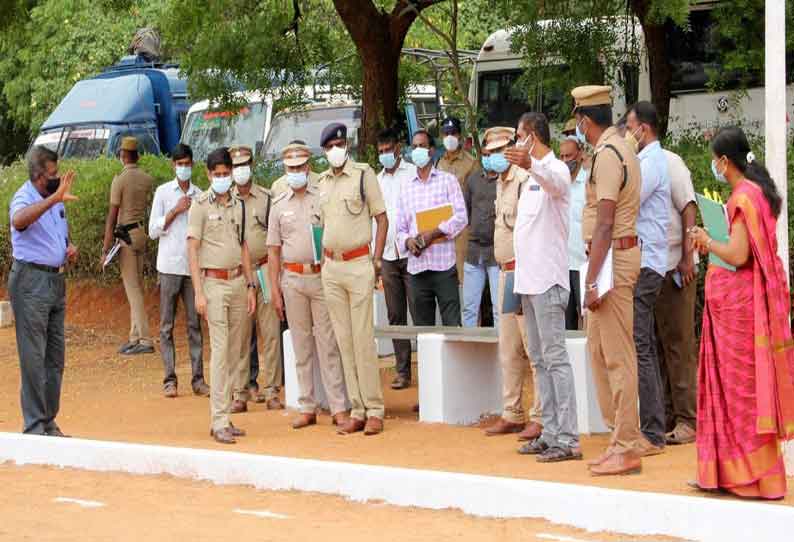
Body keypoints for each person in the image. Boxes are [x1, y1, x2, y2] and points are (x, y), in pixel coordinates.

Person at [689, 126, 794, 500]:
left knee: (740, 395)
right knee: (741, 392)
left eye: (714, 160)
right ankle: (741, 475)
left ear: (725, 161)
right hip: (739, 308)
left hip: (739, 312)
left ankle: (750, 478)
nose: (713, 165)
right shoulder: (757, 194)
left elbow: (737, 254)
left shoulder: (743, 198)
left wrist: (705, 240)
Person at [572, 85, 643, 476]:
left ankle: (628, 444)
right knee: (600, 352)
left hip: (611, 259)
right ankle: (619, 439)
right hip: (611, 257)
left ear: (585, 120)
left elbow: (604, 221)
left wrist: (592, 279)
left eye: (578, 121)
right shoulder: (619, 145)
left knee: (616, 357)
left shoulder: (609, 154)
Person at [502, 113, 581, 462]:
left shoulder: (554, 169)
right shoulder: (527, 175)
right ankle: (549, 432)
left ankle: (568, 438)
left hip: (548, 281)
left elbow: (554, 182)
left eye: (520, 136)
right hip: (529, 283)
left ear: (531, 137)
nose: (516, 143)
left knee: (555, 358)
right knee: (539, 359)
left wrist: (531, 163)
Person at [267, 143, 349, 430]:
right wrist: (274, 290)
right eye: (291, 168)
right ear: (284, 170)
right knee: (301, 345)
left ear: (308, 167)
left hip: (321, 276)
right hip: (292, 280)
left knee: (328, 344)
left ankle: (338, 407)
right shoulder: (278, 204)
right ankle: (307, 406)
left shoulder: (322, 196)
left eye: (300, 167)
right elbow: (273, 251)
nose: (296, 173)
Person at [318, 122, 388, 436]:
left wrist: (376, 260)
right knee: (344, 341)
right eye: (330, 146)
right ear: (324, 151)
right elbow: (320, 224)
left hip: (359, 262)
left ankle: (374, 409)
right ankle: (356, 408)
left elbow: (381, 219)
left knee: (362, 340)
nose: (336, 150)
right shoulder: (322, 182)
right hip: (331, 266)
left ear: (347, 146)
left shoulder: (363, 174)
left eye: (340, 144)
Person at [187, 147, 257, 444]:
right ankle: (218, 421)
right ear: (208, 175)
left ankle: (226, 414)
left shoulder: (239, 204)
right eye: (217, 175)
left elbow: (243, 247)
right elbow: (192, 248)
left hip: (238, 282)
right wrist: (198, 292)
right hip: (213, 283)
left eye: (226, 174)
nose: (222, 178)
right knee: (219, 351)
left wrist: (252, 285)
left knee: (235, 350)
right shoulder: (200, 205)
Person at [8, 147, 78, 436]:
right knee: (33, 357)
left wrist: (67, 248)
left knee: (54, 357)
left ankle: (48, 421)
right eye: (52, 174)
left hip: (55, 281)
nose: (57, 178)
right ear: (38, 176)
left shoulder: (55, 199)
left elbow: (58, 232)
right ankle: (35, 425)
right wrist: (53, 198)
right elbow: (19, 220)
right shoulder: (25, 196)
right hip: (30, 282)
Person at [480, 127, 543, 442]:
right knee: (508, 347)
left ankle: (540, 415)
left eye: (500, 150)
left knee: (532, 347)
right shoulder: (501, 184)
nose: (494, 157)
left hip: (523, 272)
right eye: (490, 152)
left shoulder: (525, 180)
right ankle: (512, 412)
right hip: (505, 272)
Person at [625, 101, 671, 457]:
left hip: (647, 261)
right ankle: (653, 425)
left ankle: (653, 432)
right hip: (644, 260)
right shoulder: (646, 160)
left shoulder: (652, 162)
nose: (628, 133)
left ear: (645, 128)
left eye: (630, 126)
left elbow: (629, 199)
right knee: (644, 344)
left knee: (641, 345)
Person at [148, 143, 209, 398]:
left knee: (195, 324)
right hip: (170, 266)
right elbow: (153, 231)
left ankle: (198, 379)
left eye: (187, 163)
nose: (183, 168)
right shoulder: (163, 193)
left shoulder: (201, 195)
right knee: (166, 325)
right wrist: (174, 211)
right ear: (173, 166)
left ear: (192, 165)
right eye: (179, 164)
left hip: (193, 268)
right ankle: (169, 379)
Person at [229, 145, 282, 413]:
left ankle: (272, 390)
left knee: (271, 332)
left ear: (252, 165)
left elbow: (276, 240)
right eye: (236, 166)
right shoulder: (224, 200)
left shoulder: (267, 198)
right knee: (239, 335)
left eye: (245, 164)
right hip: (238, 275)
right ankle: (240, 393)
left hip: (264, 270)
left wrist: (275, 276)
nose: (241, 170)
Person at [396, 129, 467, 327]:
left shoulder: (447, 181)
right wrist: (409, 242)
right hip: (417, 269)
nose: (417, 150)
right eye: (414, 146)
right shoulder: (406, 188)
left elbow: (461, 217)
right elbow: (400, 230)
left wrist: (434, 233)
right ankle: (428, 360)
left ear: (432, 150)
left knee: (452, 326)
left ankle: (454, 360)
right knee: (423, 332)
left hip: (443, 266)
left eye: (422, 146)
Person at [657, 148, 698, 445]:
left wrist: (687, 257)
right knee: (658, 344)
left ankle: (688, 419)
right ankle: (669, 416)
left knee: (679, 344)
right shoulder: (639, 164)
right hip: (653, 269)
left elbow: (688, 208)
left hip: (676, 267)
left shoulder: (671, 163)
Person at [101, 136, 155, 355]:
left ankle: (145, 339)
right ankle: (134, 336)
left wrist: (105, 249)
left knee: (132, 290)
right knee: (138, 286)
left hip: (126, 237)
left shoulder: (120, 180)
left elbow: (112, 217)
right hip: (141, 233)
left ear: (122, 156)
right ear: (138, 156)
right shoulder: (146, 178)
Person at [375, 128, 418, 390]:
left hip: (413, 253)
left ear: (398, 148)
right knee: (395, 314)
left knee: (418, 311)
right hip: (389, 255)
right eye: (380, 152)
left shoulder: (412, 173)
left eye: (388, 150)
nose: (385, 155)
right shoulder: (376, 180)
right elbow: (374, 220)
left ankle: (428, 367)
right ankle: (402, 371)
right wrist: (376, 258)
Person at [462, 136, 499, 328]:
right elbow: (465, 210)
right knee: (469, 307)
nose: (487, 158)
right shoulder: (473, 179)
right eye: (484, 155)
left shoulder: (506, 179)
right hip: (474, 250)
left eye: (491, 155)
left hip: (497, 252)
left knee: (499, 308)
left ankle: (503, 354)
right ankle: (469, 351)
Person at [437, 117, 478, 284]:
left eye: (453, 133)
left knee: (464, 279)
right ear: (441, 136)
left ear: (460, 136)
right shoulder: (438, 162)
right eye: (446, 133)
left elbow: (475, 199)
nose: (449, 137)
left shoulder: (471, 163)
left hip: (462, 230)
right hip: (441, 228)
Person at [559, 136, 588, 330]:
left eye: (568, 156)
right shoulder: (558, 183)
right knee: (565, 323)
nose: (564, 161)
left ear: (579, 155)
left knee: (587, 319)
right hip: (561, 264)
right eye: (561, 156)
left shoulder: (588, 182)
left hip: (583, 264)